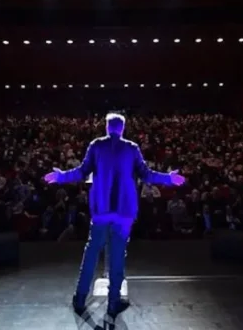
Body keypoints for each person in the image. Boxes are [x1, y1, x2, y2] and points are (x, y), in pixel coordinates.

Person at [44, 112, 185, 318]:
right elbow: (146, 174)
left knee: (91, 253)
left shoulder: (96, 145)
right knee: (118, 256)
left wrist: (60, 176)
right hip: (124, 210)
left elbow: (82, 172)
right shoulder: (131, 148)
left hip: (101, 209)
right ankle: (112, 303)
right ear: (123, 128)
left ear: (107, 127)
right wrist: (169, 179)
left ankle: (80, 298)